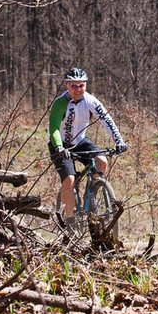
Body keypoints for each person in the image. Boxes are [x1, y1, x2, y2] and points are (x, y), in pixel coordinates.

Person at [48, 67, 128, 226]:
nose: (78, 89)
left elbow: (107, 120)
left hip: (80, 141)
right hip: (60, 144)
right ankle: (70, 221)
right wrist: (59, 147)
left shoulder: (90, 100)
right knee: (70, 179)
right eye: (74, 86)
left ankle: (91, 195)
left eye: (81, 85)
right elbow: (54, 128)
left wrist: (119, 141)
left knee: (102, 161)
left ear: (86, 85)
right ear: (67, 86)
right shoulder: (60, 103)